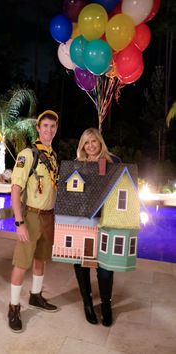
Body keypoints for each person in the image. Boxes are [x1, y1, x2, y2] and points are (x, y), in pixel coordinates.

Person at [8, 110, 59, 332]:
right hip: (31, 215)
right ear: (38, 128)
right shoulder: (28, 154)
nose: (48, 130)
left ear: (56, 130)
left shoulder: (53, 155)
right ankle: (13, 307)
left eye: (52, 127)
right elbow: (15, 190)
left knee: (41, 260)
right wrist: (20, 222)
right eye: (45, 126)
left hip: (48, 216)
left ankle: (35, 296)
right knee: (21, 262)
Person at [74, 127, 121, 327]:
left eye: (94, 141)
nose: (91, 146)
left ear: (100, 142)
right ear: (82, 146)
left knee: (105, 266)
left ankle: (106, 304)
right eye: (87, 142)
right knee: (82, 263)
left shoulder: (114, 162)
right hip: (83, 221)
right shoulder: (77, 165)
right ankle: (87, 303)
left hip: (107, 222)